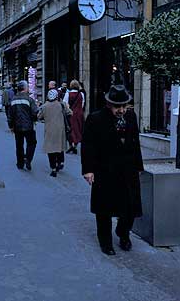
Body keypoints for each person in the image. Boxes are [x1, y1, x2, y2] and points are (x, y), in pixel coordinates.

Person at [81, 85, 144, 256]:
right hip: (104, 170)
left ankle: (123, 233)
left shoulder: (131, 116)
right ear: (109, 104)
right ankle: (105, 241)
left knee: (130, 208)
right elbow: (88, 146)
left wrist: (138, 166)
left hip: (128, 169)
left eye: (124, 106)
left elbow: (135, 142)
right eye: (117, 106)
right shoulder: (95, 119)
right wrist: (88, 170)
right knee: (104, 209)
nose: (121, 110)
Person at [38, 89, 72, 177]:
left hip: (49, 130)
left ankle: (53, 168)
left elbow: (39, 116)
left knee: (51, 149)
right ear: (57, 96)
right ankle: (60, 162)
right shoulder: (61, 104)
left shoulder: (44, 106)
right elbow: (69, 113)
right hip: (60, 129)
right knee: (59, 147)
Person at [7, 80, 38, 171]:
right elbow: (34, 112)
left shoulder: (13, 100)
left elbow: (10, 115)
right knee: (32, 143)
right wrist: (34, 120)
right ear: (25, 88)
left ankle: (20, 164)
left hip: (17, 126)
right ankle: (28, 159)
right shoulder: (29, 99)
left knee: (19, 145)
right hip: (28, 126)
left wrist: (11, 126)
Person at [63, 79, 85, 154]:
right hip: (79, 114)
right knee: (78, 130)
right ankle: (75, 146)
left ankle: (70, 145)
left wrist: (68, 111)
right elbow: (82, 104)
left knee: (70, 130)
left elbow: (65, 104)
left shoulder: (67, 94)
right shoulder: (81, 94)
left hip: (71, 114)